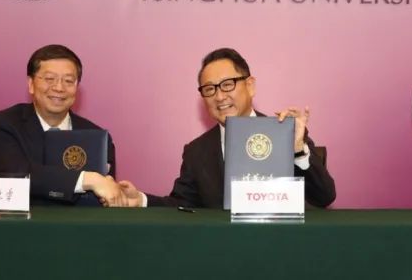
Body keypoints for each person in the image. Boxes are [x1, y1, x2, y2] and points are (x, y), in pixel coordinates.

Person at [121, 48, 336, 209]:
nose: (219, 96)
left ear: (250, 86)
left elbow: (324, 197)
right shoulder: (197, 152)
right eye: (209, 89)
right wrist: (140, 200)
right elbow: (181, 206)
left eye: (227, 84)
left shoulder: (284, 132)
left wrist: (297, 150)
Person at [0, 45, 125, 206]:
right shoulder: (2, 125)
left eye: (68, 81)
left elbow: (106, 196)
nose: (59, 88)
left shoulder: (98, 138)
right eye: (50, 79)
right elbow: (15, 175)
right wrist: (87, 179)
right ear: (31, 83)